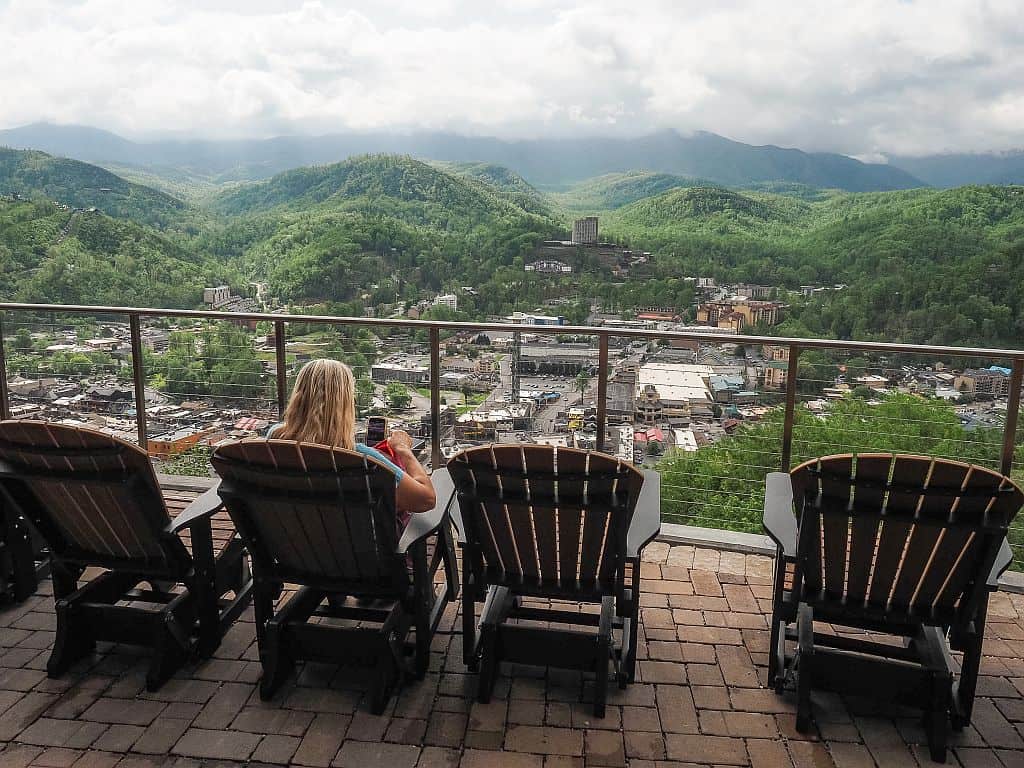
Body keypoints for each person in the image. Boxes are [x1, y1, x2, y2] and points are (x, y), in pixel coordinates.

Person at [268, 358, 436, 517]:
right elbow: (426, 500)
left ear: (298, 396)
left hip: (287, 542)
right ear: (346, 403)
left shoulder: (274, 439)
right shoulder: (362, 458)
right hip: (355, 545)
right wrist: (403, 449)